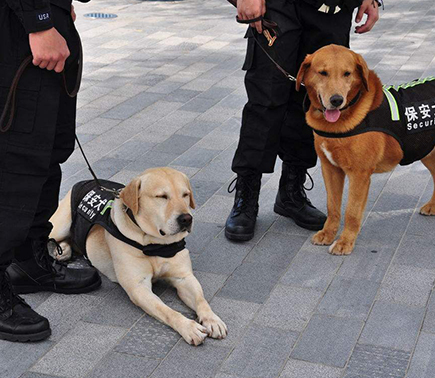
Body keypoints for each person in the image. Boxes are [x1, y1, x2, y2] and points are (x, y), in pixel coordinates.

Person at [225, 0, 381, 241]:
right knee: (265, 97)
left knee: (317, 100)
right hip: (278, 5)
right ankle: (246, 195)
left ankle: (291, 192)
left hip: (333, 8)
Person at [0, 0, 101, 342]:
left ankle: (28, 260)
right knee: (16, 158)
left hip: (44, 19)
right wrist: (38, 20)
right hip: (19, 25)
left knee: (49, 149)